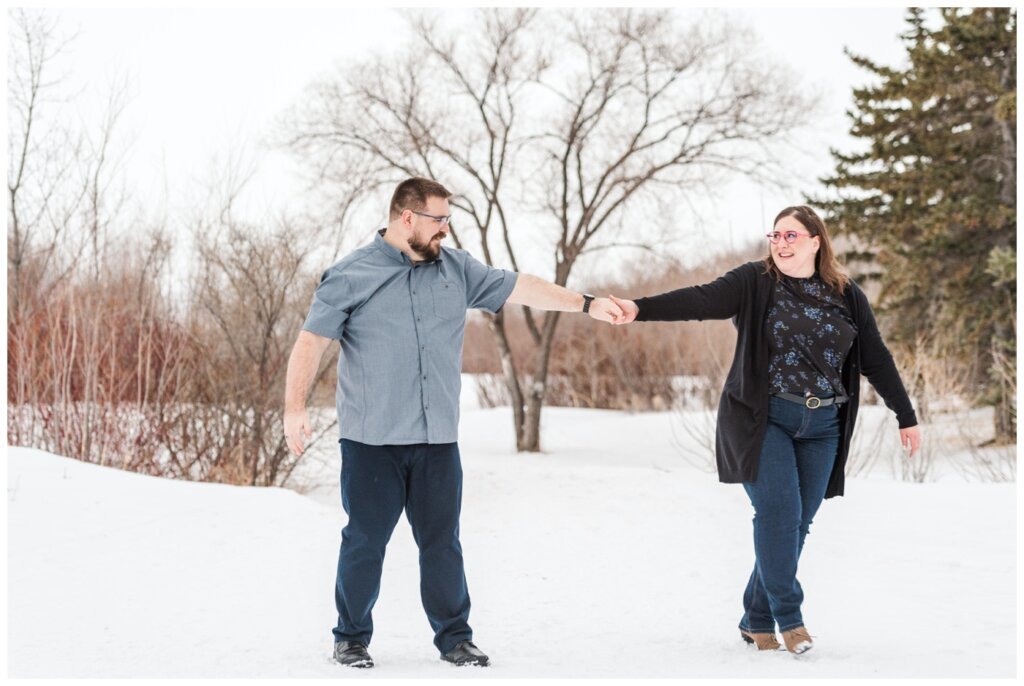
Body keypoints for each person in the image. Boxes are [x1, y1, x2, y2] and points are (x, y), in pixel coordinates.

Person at [283, 177, 622, 669]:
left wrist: (586, 304)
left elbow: (520, 285)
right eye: (438, 219)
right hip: (372, 440)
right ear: (406, 218)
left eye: (448, 219)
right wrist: (294, 408)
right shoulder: (351, 273)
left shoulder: (457, 269)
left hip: (437, 439)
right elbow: (311, 342)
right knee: (365, 541)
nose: (446, 228)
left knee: (443, 543)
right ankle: (350, 637)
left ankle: (455, 638)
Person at [607, 205, 921, 656]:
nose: (781, 243)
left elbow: (875, 357)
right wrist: (638, 308)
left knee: (797, 526)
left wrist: (905, 414)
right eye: (775, 235)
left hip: (825, 426)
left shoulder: (846, 294)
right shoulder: (755, 281)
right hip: (764, 420)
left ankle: (756, 617)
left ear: (816, 241)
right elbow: (699, 300)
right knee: (777, 516)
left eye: (791, 236)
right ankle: (790, 620)